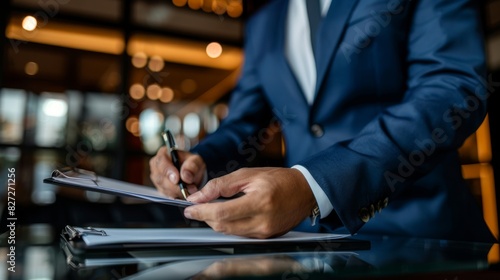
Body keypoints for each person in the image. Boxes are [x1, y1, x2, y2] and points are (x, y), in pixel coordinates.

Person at [150, 0, 495, 242]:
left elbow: (452, 88)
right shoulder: (264, 22)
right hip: (305, 245)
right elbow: (244, 122)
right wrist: (200, 163)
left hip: (421, 238)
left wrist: (315, 185)